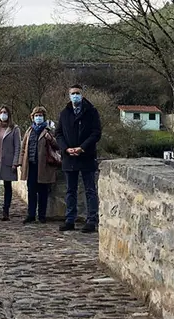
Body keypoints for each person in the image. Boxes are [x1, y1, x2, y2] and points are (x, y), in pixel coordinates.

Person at [55, 84, 102, 233]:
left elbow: (96, 133)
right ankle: (70, 219)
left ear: (82, 95)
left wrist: (83, 147)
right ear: (69, 96)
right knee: (70, 190)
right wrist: (66, 149)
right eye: (73, 93)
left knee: (90, 190)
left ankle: (91, 220)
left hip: (86, 156)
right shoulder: (64, 113)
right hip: (69, 157)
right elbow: (59, 133)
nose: (75, 96)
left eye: (77, 93)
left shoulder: (91, 112)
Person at [20, 106, 60, 224]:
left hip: (44, 166)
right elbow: (23, 148)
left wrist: (51, 139)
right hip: (31, 165)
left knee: (43, 191)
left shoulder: (49, 130)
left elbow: (58, 146)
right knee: (31, 191)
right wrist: (21, 162)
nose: (38, 117)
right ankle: (31, 214)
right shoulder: (29, 131)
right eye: (36, 115)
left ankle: (42, 215)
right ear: (33, 117)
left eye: (40, 115)